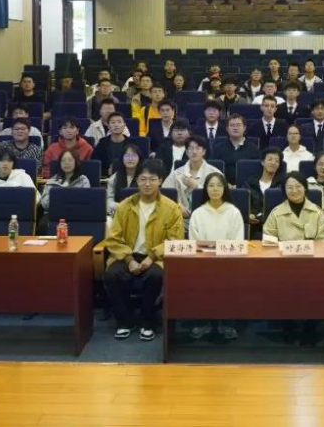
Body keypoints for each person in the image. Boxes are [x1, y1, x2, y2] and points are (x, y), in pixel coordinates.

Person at [104, 159, 183, 341]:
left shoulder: (171, 209)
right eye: (143, 179)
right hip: (127, 254)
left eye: (152, 179)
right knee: (112, 275)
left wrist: (152, 256)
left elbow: (175, 240)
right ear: (137, 181)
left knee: (156, 276)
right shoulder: (124, 206)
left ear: (160, 181)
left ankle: (148, 321)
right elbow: (113, 238)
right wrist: (129, 259)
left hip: (157, 257)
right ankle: (125, 321)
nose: (147, 184)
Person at [187, 172, 245, 341]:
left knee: (228, 281)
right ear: (205, 189)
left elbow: (237, 242)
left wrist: (223, 260)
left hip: (229, 264)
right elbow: (194, 243)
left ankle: (227, 324)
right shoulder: (198, 213)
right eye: (211, 185)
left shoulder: (233, 212)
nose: (215, 189)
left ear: (225, 188)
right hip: (202, 265)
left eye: (219, 185)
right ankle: (203, 322)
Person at [162, 136, 222, 232]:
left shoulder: (215, 173)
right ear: (186, 152)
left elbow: (221, 198)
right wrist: (177, 205)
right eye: (191, 148)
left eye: (198, 148)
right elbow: (164, 194)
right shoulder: (177, 174)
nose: (194, 152)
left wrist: (197, 187)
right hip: (180, 222)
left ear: (204, 151)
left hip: (208, 222)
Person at [263, 171, 324, 241]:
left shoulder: (317, 212)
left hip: (311, 248)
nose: (294, 191)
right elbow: (268, 240)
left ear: (305, 188)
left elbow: (322, 241)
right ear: (284, 190)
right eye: (290, 187)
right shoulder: (276, 214)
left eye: (298, 186)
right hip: (283, 248)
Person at [213, 114, 260, 186]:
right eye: (232, 125)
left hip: (247, 188)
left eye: (238, 125)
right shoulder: (218, 148)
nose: (235, 128)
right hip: (222, 186)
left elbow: (256, 173)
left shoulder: (254, 149)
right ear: (227, 129)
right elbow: (213, 170)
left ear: (244, 128)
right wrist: (225, 184)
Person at [247, 148, 286, 232]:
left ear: (279, 165)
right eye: (270, 159)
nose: (273, 163)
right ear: (262, 162)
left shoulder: (283, 185)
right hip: (253, 226)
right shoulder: (249, 183)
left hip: (276, 227)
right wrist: (248, 214)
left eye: (277, 161)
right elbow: (244, 203)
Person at [106, 144, 142, 219]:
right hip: (118, 213)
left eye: (134, 156)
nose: (130, 159)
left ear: (139, 159)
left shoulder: (144, 178)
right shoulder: (115, 177)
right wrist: (120, 206)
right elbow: (108, 199)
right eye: (127, 156)